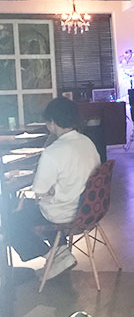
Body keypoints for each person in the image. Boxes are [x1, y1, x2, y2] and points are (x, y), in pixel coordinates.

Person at [9, 97, 101, 280]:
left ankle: (53, 255)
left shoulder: (53, 152)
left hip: (64, 212)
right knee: (42, 204)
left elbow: (39, 191)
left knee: (13, 220)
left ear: (52, 122)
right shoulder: (87, 142)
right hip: (88, 209)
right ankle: (60, 252)